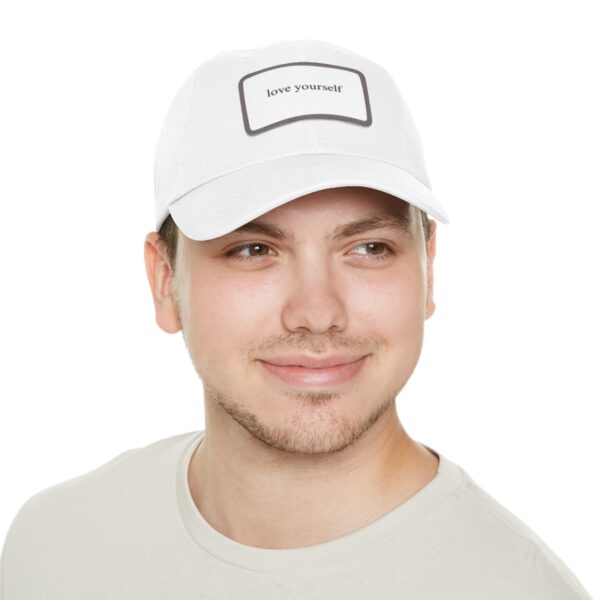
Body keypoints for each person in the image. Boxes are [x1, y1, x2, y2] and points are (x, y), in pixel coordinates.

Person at [0, 39, 593, 599]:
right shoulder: (51, 548)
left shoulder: (514, 589)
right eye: (254, 250)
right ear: (164, 282)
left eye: (368, 249)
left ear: (428, 271)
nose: (318, 313)